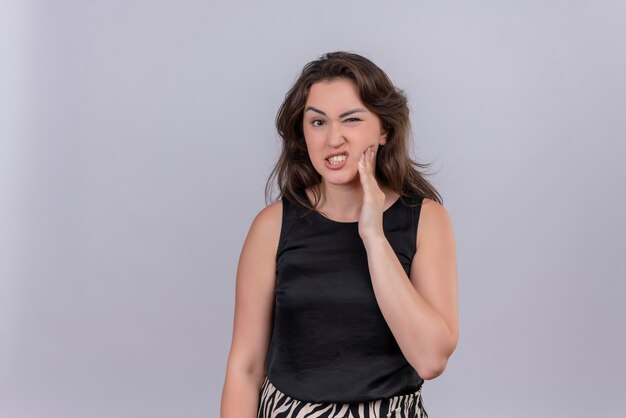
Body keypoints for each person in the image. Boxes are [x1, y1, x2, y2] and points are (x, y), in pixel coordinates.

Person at [220, 51, 458, 418]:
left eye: (351, 119)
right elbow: (245, 369)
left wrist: (374, 237)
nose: (334, 138)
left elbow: (431, 359)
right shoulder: (272, 226)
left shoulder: (425, 220)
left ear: (384, 129)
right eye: (318, 122)